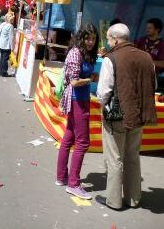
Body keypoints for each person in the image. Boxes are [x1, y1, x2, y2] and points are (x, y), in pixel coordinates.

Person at [96, 23, 156, 210]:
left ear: (115, 38)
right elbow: (152, 85)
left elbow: (103, 92)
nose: (108, 41)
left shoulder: (111, 58)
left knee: (115, 158)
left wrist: (103, 108)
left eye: (108, 38)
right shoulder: (146, 57)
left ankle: (113, 201)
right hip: (138, 114)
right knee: (132, 156)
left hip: (117, 116)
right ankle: (133, 199)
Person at [57, 23, 99, 200]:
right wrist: (90, 79)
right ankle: (73, 184)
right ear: (81, 38)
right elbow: (74, 82)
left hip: (80, 99)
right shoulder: (76, 52)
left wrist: (91, 78)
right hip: (77, 100)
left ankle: (61, 177)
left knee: (69, 137)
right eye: (87, 38)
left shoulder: (85, 53)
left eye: (93, 39)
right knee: (83, 142)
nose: (90, 42)